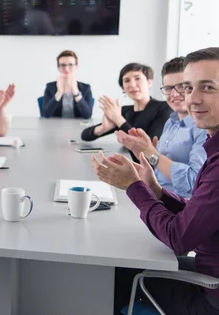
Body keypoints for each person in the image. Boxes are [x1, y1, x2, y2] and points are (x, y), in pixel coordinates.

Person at [91, 47, 219, 315]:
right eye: (188, 87)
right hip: (206, 271)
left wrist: (134, 187)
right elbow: (198, 214)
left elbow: (178, 237)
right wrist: (155, 191)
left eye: (207, 87)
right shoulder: (211, 145)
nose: (192, 99)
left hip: (210, 294)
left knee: (100, 279)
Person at [114, 57, 206, 198]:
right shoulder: (171, 122)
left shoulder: (203, 128)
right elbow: (158, 166)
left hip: (178, 207)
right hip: (156, 196)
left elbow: (193, 182)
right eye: (168, 88)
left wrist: (153, 154)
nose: (174, 94)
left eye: (181, 86)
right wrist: (144, 156)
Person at [81, 62, 173, 161]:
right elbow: (85, 135)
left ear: (149, 82)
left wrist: (119, 120)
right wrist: (103, 128)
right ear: (123, 88)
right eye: (127, 80)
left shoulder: (164, 108)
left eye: (137, 78)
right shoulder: (124, 111)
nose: (132, 85)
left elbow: (147, 147)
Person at [42, 50, 94, 119]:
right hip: (55, 127)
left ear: (76, 67)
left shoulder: (86, 88)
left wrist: (76, 92)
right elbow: (45, 114)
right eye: (63, 65)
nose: (66, 68)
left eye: (71, 65)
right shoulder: (50, 87)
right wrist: (59, 92)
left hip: (78, 127)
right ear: (58, 68)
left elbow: (87, 115)